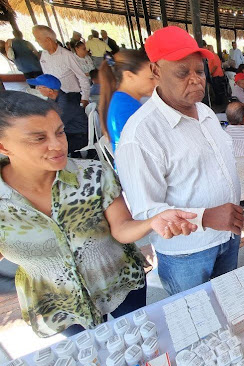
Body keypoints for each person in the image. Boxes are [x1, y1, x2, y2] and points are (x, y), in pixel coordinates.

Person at [0, 90, 197, 337]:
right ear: (3, 146)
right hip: (59, 302)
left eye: (60, 132)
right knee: (90, 351)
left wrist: (152, 222)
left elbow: (121, 228)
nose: (58, 145)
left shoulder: (93, 174)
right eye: (38, 138)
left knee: (140, 336)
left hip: (120, 282)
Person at [115, 26, 243, 296]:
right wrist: (205, 217)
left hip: (227, 237)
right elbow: (146, 213)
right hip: (188, 254)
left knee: (229, 306)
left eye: (199, 71)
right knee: (196, 315)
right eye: (183, 73)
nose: (195, 80)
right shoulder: (141, 134)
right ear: (156, 71)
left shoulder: (205, 112)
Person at [98, 49, 155, 153]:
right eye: (151, 78)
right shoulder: (126, 108)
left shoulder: (122, 100)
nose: (156, 83)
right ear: (129, 76)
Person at [28, 74, 89, 155]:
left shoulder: (65, 105)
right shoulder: (52, 98)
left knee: (49, 149)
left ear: (50, 91)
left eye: (39, 87)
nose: (38, 89)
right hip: (68, 132)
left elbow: (53, 125)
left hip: (78, 136)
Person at [33, 25, 91, 108]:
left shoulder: (66, 55)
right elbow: (46, 75)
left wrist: (85, 98)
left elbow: (82, 77)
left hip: (70, 97)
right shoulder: (44, 55)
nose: (36, 41)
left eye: (38, 38)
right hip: (53, 96)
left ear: (48, 40)